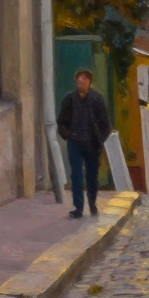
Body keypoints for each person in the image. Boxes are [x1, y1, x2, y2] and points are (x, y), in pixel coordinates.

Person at [56, 68, 112, 219]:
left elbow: (106, 125)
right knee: (76, 175)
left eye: (84, 80)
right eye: (79, 81)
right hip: (75, 142)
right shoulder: (69, 99)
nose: (81, 83)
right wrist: (68, 134)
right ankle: (78, 207)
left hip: (92, 144)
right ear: (76, 82)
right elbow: (61, 122)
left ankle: (92, 204)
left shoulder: (96, 100)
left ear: (89, 82)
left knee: (92, 176)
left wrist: (99, 140)